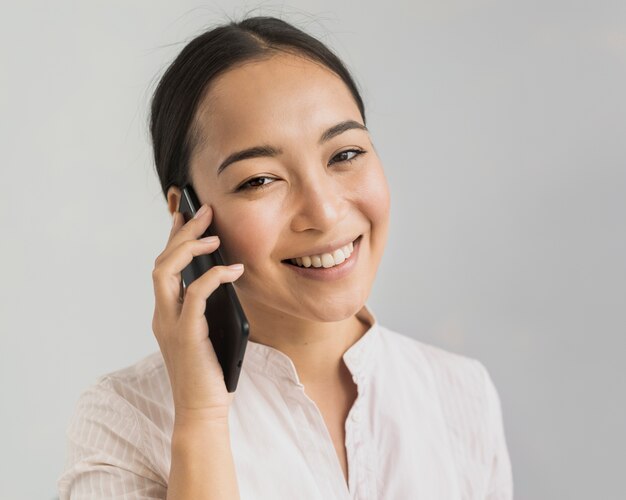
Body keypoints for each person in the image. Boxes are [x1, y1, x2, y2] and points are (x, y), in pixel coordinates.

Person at [58, 15, 513, 500]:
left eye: (345, 154)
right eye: (260, 179)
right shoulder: (125, 418)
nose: (323, 211)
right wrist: (200, 418)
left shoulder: (459, 393)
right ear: (188, 215)